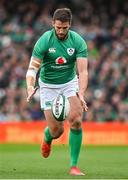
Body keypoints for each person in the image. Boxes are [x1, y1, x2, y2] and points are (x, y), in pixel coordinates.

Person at [26, 8, 88, 176]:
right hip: (47, 86)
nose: (61, 31)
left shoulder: (78, 42)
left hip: (69, 83)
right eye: (58, 27)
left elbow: (83, 71)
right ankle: (48, 136)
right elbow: (32, 69)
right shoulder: (44, 41)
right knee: (57, 131)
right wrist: (30, 87)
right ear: (53, 24)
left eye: (65, 28)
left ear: (70, 25)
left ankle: (73, 166)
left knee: (76, 120)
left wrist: (81, 93)